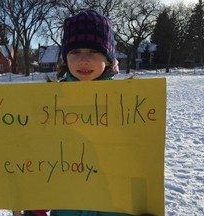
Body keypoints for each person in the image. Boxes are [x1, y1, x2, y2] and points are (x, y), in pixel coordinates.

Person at [48, 9, 153, 216]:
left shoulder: (130, 105)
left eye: (93, 52)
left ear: (108, 57)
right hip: (68, 206)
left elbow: (141, 159)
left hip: (116, 208)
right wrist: (32, 204)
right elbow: (37, 159)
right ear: (65, 58)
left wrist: (145, 206)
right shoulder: (47, 105)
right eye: (74, 52)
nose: (83, 60)